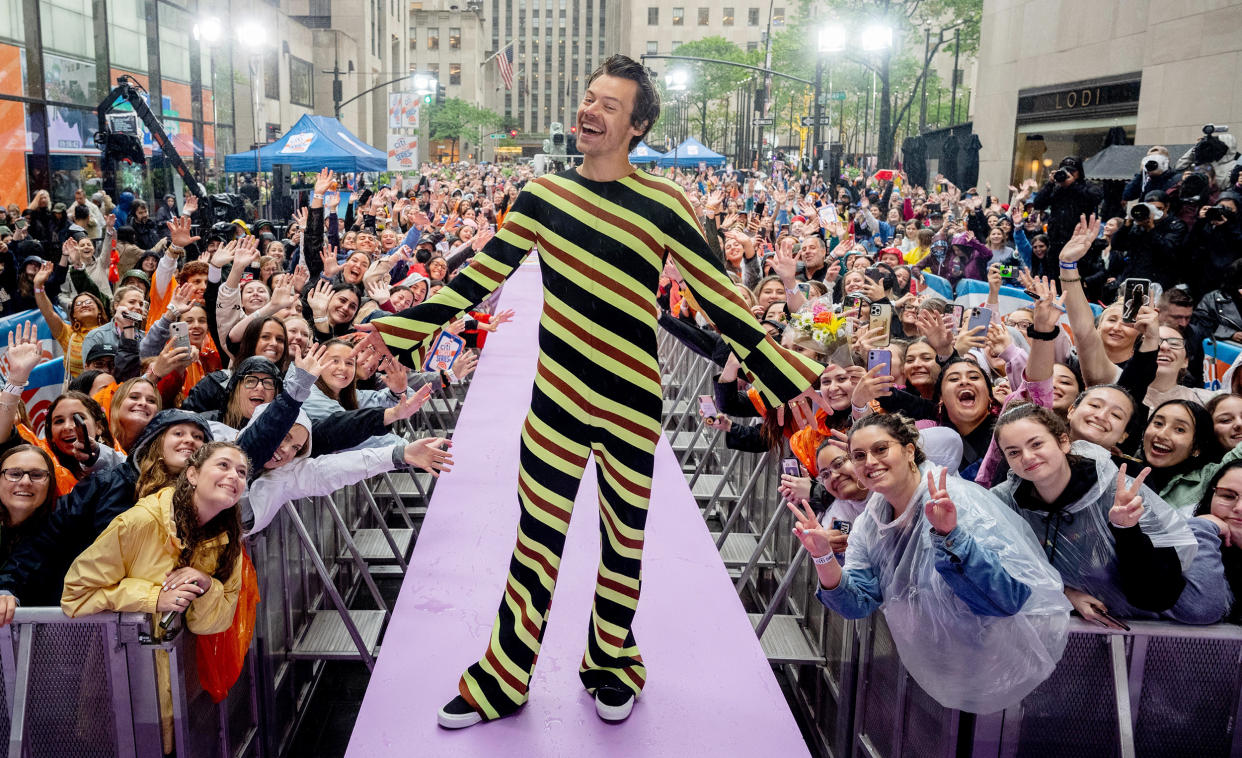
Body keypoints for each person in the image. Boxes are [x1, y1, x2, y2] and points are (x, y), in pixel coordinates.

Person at [354, 55, 825, 728]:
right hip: (555, 402)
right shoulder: (543, 196)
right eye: (590, 97)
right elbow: (480, 275)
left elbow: (718, 294)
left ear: (636, 126)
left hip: (633, 404)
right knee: (535, 542)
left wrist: (777, 371)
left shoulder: (666, 204)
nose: (590, 110)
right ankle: (501, 678)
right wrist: (401, 325)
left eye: (609, 104)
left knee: (622, 542)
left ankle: (612, 664)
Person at [792, 413, 1069, 713]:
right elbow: (857, 603)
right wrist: (823, 557)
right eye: (859, 455)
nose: (870, 461)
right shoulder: (870, 523)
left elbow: (1008, 598)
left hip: (1014, 665)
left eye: (881, 449)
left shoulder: (959, 502)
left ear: (909, 450)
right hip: (945, 670)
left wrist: (950, 536)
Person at [61, 442, 248, 755]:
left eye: (242, 472)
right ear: (192, 474)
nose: (234, 476)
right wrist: (153, 597)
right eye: (224, 465)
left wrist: (206, 585)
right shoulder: (139, 522)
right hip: (124, 690)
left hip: (180, 690)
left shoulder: (227, 540)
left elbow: (212, 623)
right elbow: (75, 595)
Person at [991, 405, 1227, 626]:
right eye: (1014, 452)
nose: (1028, 457)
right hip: (1098, 600)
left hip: (1157, 593)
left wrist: (1127, 529)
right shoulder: (1004, 500)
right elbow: (1001, 570)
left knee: (1201, 610)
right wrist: (1066, 594)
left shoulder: (1117, 490)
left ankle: (1202, 528)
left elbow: (1159, 594)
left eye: (1036, 444)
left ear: (1063, 442)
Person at [1193, 460, 1242, 623]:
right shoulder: (1188, 535)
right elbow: (1199, 608)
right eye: (1228, 496)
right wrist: (1204, 528)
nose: (1239, 508)